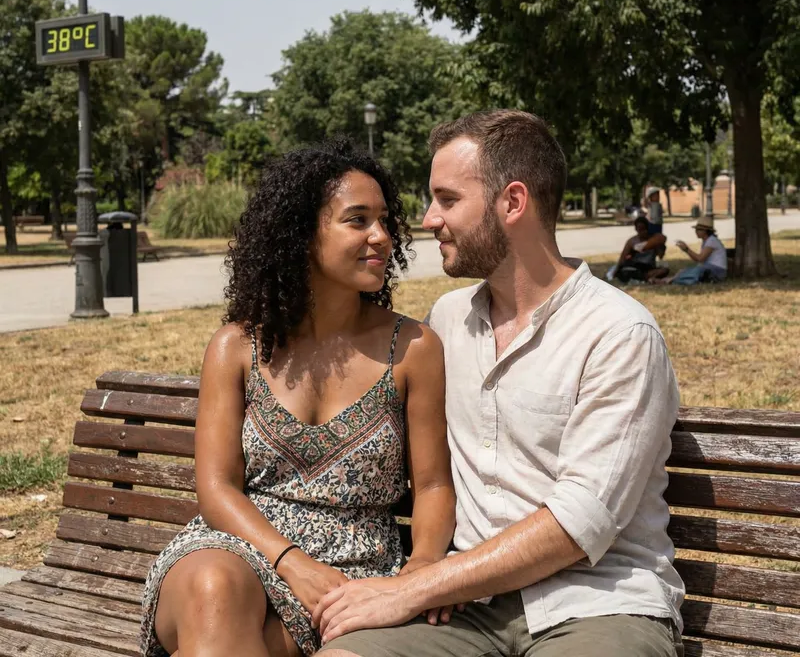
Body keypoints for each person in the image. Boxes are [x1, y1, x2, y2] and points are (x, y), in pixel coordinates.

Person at [314, 110, 684, 657]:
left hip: (595, 604)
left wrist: (417, 586)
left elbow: (579, 523)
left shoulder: (619, 333)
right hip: (465, 610)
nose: (427, 219)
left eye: (447, 199)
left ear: (512, 203)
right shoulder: (446, 319)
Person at [140, 138, 456, 657]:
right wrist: (290, 561)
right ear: (300, 235)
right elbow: (217, 488)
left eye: (384, 220)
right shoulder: (238, 346)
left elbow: (433, 484)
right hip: (239, 548)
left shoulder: (413, 349)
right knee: (214, 592)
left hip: (353, 570)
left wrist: (421, 565)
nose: (381, 236)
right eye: (357, 220)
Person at [651, 215, 727, 286]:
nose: (696, 231)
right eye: (696, 229)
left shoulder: (712, 241)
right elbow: (699, 260)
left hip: (717, 272)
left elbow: (700, 258)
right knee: (685, 271)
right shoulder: (707, 241)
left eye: (699, 229)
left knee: (694, 272)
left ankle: (669, 280)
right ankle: (671, 280)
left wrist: (686, 249)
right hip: (710, 270)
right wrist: (686, 250)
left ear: (706, 231)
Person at [607, 216, 669, 284]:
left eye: (644, 229)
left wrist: (660, 247)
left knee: (664, 270)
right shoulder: (632, 241)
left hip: (649, 268)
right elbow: (622, 258)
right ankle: (644, 278)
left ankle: (643, 278)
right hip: (635, 267)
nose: (643, 232)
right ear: (636, 229)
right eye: (640, 229)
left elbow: (661, 256)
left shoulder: (653, 240)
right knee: (626, 271)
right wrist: (615, 271)